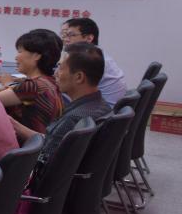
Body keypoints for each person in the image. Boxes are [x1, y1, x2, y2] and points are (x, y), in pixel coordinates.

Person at [15, 42, 111, 170]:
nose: (55, 74)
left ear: (79, 77)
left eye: (60, 68)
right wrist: (14, 124)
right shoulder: (101, 106)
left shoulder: (73, 119)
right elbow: (49, 141)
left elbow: (44, 158)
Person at [0, 29, 64, 135]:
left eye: (20, 52)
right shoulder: (49, 81)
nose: (16, 57)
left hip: (28, 144)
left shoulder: (34, 86)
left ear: (36, 56)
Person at [61, 17, 127, 104]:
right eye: (65, 35)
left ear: (89, 38)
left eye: (71, 35)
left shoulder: (89, 58)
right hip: (103, 105)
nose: (66, 39)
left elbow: (70, 85)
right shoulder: (96, 53)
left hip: (102, 108)